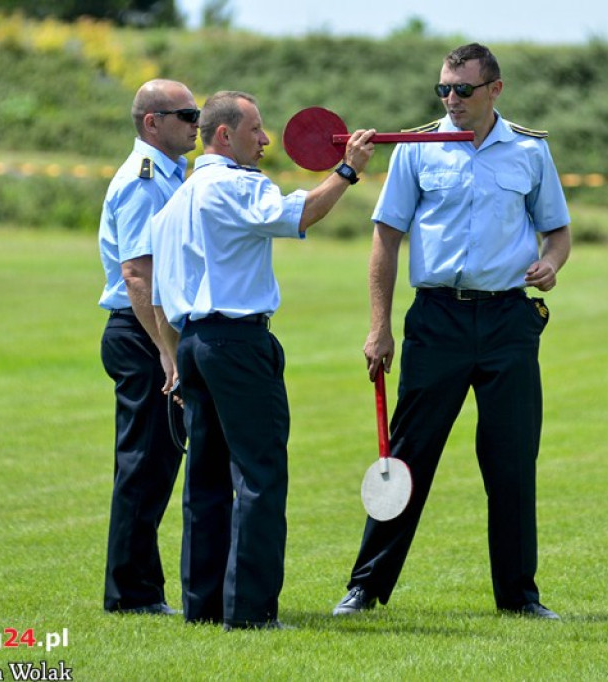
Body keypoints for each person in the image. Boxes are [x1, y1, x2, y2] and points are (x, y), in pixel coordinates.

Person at [331, 43, 571, 620]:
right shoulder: (418, 148)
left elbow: (557, 232)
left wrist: (551, 266)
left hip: (509, 320)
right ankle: (366, 586)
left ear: (495, 89)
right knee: (407, 457)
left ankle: (519, 598)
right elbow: (385, 237)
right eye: (444, 89)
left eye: (462, 89)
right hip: (436, 320)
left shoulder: (531, 151)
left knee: (512, 459)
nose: (451, 100)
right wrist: (378, 328)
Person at [149, 90, 375, 630]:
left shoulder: (177, 199)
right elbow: (300, 214)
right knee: (260, 476)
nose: (266, 140)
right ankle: (250, 612)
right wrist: (347, 170)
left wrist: (175, 357)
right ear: (224, 136)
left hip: (195, 345)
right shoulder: (233, 184)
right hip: (237, 343)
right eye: (256, 130)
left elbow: (159, 292)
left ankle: (203, 606)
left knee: (204, 481)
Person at [97, 79, 199, 615]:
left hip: (150, 331)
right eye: (186, 113)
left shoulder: (170, 174)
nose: (196, 121)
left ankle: (139, 589)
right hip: (142, 334)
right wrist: (167, 348)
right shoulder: (143, 180)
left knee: (156, 464)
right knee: (143, 465)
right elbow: (137, 272)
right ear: (151, 123)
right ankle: (131, 595)